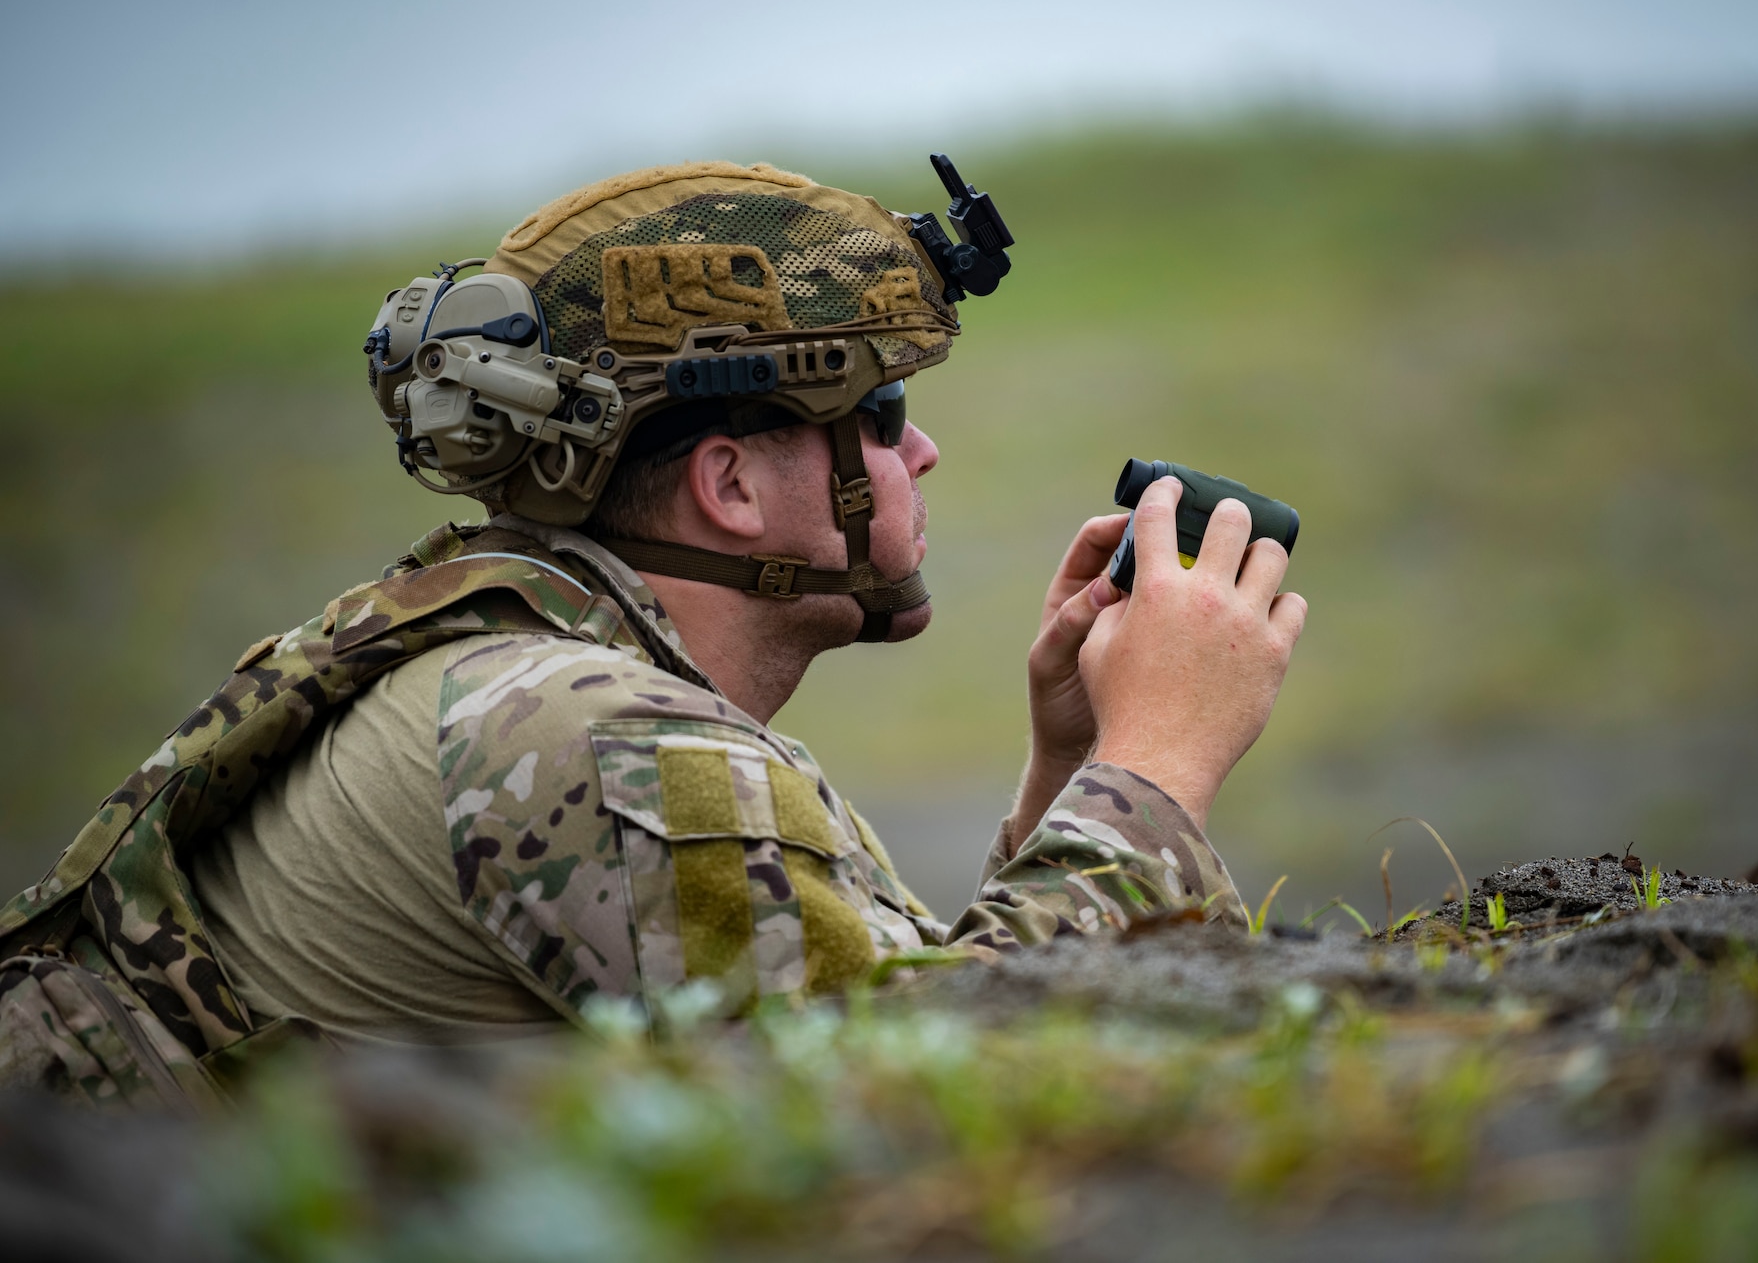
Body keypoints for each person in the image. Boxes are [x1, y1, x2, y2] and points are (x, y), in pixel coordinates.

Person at [0, 160, 1305, 1098]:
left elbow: (888, 991)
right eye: (880, 407)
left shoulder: (522, 676)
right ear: (730, 485)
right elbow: (950, 1104)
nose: (924, 448)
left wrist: (1072, 771)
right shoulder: (605, 747)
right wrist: (1159, 766)